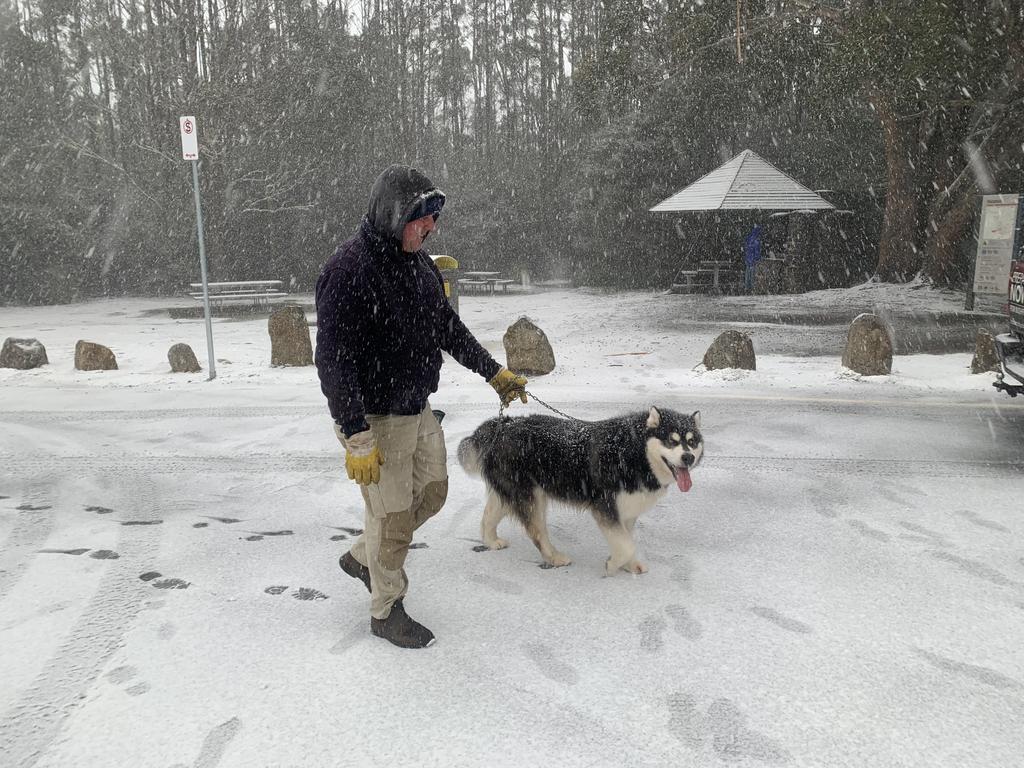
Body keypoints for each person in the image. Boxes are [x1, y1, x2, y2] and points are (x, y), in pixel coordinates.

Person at [314, 164, 528, 649]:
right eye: (421, 219)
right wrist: (355, 434)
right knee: (391, 523)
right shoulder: (347, 272)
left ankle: (362, 557)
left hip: (416, 406)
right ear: (392, 216)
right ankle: (386, 609)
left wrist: (493, 372)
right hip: (372, 417)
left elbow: (448, 329)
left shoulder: (420, 266)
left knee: (432, 494)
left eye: (434, 218)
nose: (430, 228)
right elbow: (333, 361)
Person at [744, 224, 762, 293]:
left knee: (747, 273)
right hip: (753, 260)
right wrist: (757, 259)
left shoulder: (749, 238)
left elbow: (746, 249)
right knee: (752, 275)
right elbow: (757, 252)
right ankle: (751, 288)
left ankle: (746, 288)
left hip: (748, 259)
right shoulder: (756, 241)